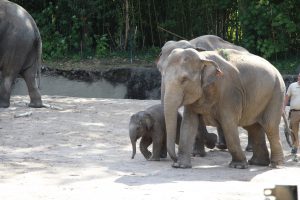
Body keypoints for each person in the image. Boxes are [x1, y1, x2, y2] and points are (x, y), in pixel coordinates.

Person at [284, 73, 300, 158]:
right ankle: (295, 147)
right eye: (299, 76)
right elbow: (287, 97)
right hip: (294, 112)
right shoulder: (292, 86)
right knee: (294, 131)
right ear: (298, 77)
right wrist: (283, 108)